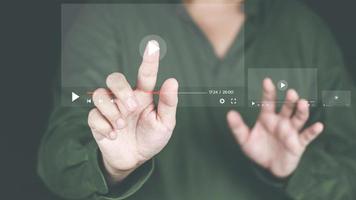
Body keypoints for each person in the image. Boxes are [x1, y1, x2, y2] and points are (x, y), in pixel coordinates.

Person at [38, 0, 356, 199]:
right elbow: (55, 164)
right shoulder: (108, 17)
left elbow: (349, 175)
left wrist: (295, 170)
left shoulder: (304, 29)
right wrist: (112, 166)